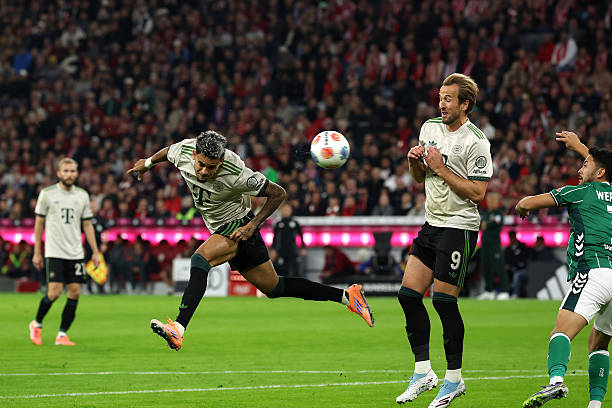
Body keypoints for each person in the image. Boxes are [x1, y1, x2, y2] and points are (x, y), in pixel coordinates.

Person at [127, 130, 374, 351]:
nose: (204, 172)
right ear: (194, 155)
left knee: (200, 260)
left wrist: (252, 225)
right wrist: (147, 164)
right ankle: (347, 296)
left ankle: (178, 328)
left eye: (211, 168)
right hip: (223, 228)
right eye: (201, 165)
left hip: (238, 224)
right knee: (274, 288)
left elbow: (278, 193)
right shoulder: (184, 150)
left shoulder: (237, 174)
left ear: (220, 162)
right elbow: (167, 152)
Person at [396, 73, 492, 408]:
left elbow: (478, 193)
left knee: (443, 302)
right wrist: (414, 163)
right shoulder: (429, 128)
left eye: (449, 99)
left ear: (465, 104)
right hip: (432, 224)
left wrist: (440, 167)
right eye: (440, 97)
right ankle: (423, 373)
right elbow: (420, 177)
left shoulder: (476, 142)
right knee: (408, 296)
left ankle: (454, 379)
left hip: (459, 227)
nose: (442, 104)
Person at [519, 131, 612, 408]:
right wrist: (581, 148)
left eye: (585, 165)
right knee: (598, 344)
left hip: (593, 271)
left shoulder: (579, 192)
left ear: (600, 172)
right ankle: (595, 405)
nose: (579, 169)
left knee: (560, 333)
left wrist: (522, 207)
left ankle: (556, 381)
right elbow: (603, 168)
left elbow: (526, 202)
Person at [28, 158, 100, 346]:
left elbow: (87, 224)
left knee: (75, 292)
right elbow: (39, 223)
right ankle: (36, 324)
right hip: (54, 251)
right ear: (58, 173)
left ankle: (62, 335)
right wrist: (37, 252)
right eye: (66, 171)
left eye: (72, 171)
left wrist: (95, 251)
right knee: (54, 292)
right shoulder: (47, 194)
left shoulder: (82, 195)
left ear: (77, 173)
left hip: (75, 252)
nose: (69, 174)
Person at [478, 192, 509, 300]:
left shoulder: (499, 213)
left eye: (492, 200)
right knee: (486, 268)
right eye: (488, 201)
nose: (490, 203)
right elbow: (481, 225)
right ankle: (488, 290)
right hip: (484, 245)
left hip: (495, 245)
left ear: (497, 202)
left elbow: (493, 223)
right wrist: (485, 224)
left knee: (499, 268)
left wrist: (486, 224)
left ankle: (504, 291)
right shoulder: (486, 214)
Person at [271, 203, 306, 277]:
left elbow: (301, 236)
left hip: (293, 250)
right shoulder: (278, 224)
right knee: (282, 271)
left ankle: (296, 284)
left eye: (287, 209)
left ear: (291, 210)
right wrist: (273, 249)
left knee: (295, 270)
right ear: (281, 210)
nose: (286, 211)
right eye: (284, 209)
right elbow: (275, 238)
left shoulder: (295, 223)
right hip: (281, 251)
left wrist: (303, 247)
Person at [505, 230, 530, 298]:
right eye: (510, 238)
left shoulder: (523, 246)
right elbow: (506, 262)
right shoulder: (508, 249)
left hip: (524, 270)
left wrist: (513, 265)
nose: (512, 239)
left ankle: (515, 294)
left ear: (515, 237)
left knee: (517, 275)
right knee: (503, 273)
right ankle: (504, 293)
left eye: (513, 237)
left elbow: (524, 261)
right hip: (511, 270)